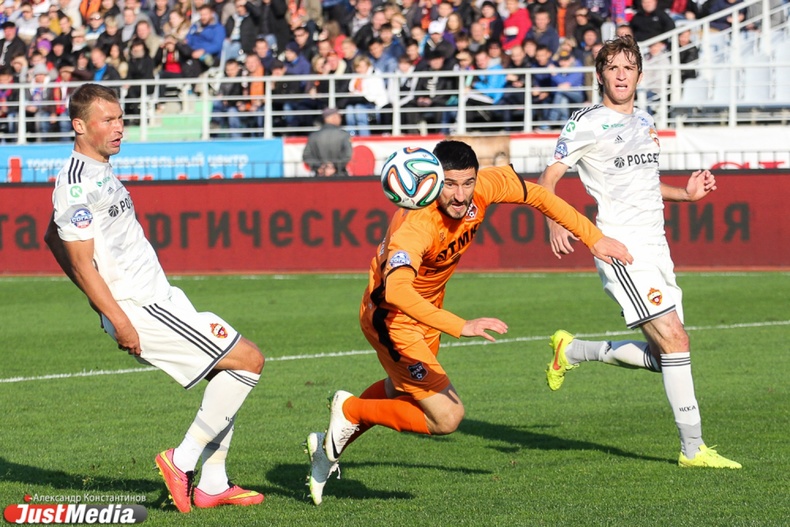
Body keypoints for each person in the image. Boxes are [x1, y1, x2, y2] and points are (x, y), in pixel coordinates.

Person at [305, 139, 633, 505]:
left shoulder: (486, 186)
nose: (460, 195)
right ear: (432, 179)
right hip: (393, 319)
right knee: (447, 417)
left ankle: (328, 448)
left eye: (468, 182)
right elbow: (397, 292)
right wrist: (460, 326)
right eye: (449, 184)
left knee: (401, 392)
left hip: (427, 311)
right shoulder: (417, 224)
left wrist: (594, 238)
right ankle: (348, 409)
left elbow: (540, 195)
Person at [43, 83, 266, 513]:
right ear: (79, 126)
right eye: (107, 120)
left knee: (229, 374)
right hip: (139, 306)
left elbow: (52, 236)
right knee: (248, 361)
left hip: (158, 298)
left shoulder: (100, 170)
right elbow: (81, 263)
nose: (118, 128)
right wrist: (116, 317)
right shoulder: (76, 184)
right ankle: (181, 461)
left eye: (120, 119)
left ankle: (213, 484)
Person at [535, 36, 741, 470]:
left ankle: (573, 351)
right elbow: (547, 179)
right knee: (676, 341)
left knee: (666, 355)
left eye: (628, 67)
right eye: (613, 67)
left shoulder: (645, 120)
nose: (621, 75)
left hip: (657, 246)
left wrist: (685, 194)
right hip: (620, 247)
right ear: (600, 75)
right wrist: (555, 219)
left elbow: (646, 183)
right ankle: (693, 449)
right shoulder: (585, 121)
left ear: (640, 76)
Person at [302, 107, 352, 177]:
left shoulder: (314, 136)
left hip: (320, 176)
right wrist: (334, 166)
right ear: (334, 117)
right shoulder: (344, 135)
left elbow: (306, 156)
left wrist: (320, 167)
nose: (340, 119)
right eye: (339, 116)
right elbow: (347, 155)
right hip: (340, 176)